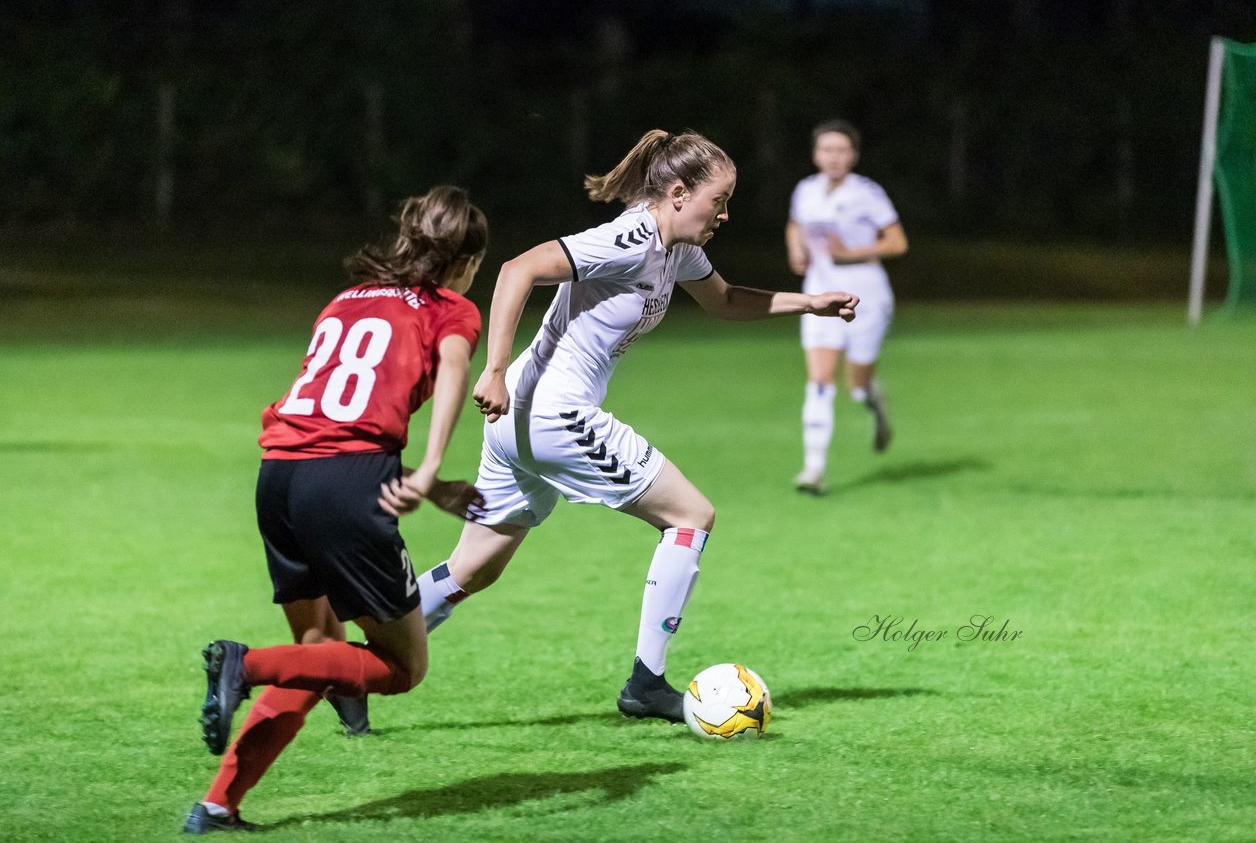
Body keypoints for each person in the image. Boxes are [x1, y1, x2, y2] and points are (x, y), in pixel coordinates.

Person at [379, 130, 859, 725]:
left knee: (474, 568)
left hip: (520, 426)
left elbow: (726, 300)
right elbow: (518, 269)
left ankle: (360, 667)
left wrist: (807, 303)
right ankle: (646, 683)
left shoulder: (675, 249)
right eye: (720, 199)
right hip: (552, 413)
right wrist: (495, 369)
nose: (726, 213)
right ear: (679, 193)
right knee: (691, 515)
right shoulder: (630, 238)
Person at [183, 185, 487, 833]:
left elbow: (332, 423)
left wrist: (430, 489)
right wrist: (431, 464)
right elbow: (456, 368)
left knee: (321, 649)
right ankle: (245, 663)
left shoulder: (346, 300)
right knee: (403, 668)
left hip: (279, 478)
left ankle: (217, 805)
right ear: (466, 262)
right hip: (344, 487)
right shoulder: (450, 308)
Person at [786, 119, 908, 496]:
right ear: (815, 154)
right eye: (826, 150)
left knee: (857, 386)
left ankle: (875, 400)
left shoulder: (867, 193)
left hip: (867, 296)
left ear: (853, 155)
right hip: (820, 297)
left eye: (841, 150)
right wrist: (795, 250)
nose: (834, 157)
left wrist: (853, 253)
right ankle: (813, 469)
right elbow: (795, 225)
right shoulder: (805, 191)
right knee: (820, 381)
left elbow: (897, 242)